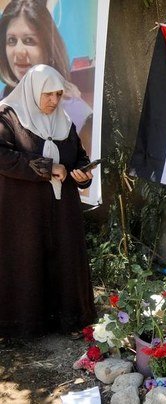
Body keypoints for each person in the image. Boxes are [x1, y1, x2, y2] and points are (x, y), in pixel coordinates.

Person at [0, 64, 95, 337]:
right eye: (48, 95)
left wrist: (82, 176)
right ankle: (24, 324)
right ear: (32, 92)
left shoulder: (65, 122)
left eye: (58, 94)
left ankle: (68, 320)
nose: (54, 101)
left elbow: (80, 159)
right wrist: (45, 167)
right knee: (27, 258)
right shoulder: (8, 118)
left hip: (63, 210)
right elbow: (3, 157)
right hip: (24, 211)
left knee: (64, 259)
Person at [0, 0, 92, 138]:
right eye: (12, 41)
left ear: (48, 49)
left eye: (29, 40)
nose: (19, 51)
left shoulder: (76, 113)